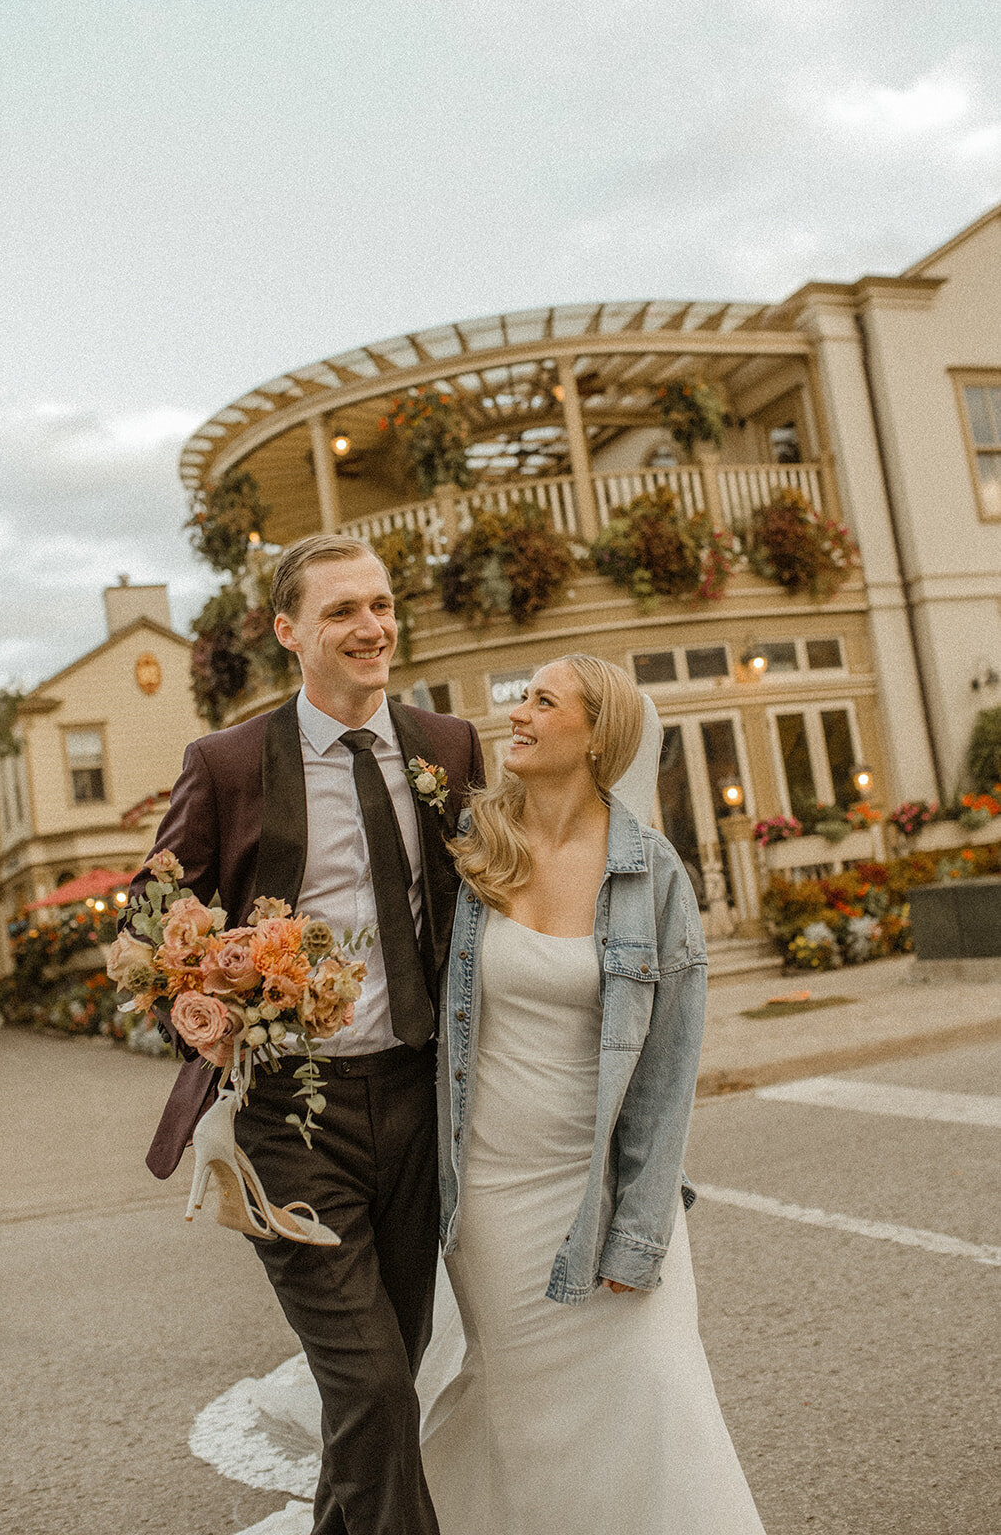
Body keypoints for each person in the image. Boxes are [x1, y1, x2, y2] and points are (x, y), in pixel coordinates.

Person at [138, 534, 485, 1535]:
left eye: (378, 604)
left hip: (420, 1101)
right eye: (340, 611)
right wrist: (194, 1002)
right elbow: (149, 916)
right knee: (371, 1385)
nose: (370, 626)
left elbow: (479, 899)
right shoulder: (229, 761)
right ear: (289, 632)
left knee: (391, 1372)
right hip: (289, 1113)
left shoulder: (446, 746)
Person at [422, 654, 766, 1535]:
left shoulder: (651, 875)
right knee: (528, 1425)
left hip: (603, 1191)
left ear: (597, 734)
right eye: (520, 696)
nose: (518, 714)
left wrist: (639, 1229)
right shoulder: (468, 850)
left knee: (657, 1398)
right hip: (493, 1199)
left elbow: (664, 1075)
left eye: (543, 701)